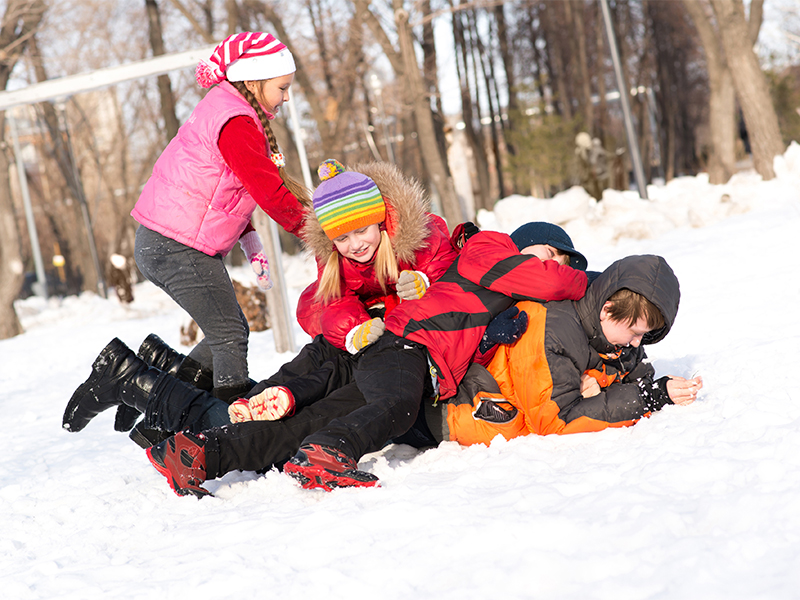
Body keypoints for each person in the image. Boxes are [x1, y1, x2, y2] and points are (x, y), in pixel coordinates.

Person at [139, 221, 589, 497]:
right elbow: (547, 282)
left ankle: (197, 453)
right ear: (527, 244)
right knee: (394, 408)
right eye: (553, 255)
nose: (559, 266)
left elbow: (465, 330)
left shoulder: (499, 288)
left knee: (301, 430)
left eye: (565, 262)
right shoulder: (492, 248)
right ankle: (333, 451)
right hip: (405, 347)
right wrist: (593, 282)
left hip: (403, 353)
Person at [62, 159, 458, 448]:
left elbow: (441, 267)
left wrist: (412, 289)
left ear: (381, 222)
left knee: (275, 412)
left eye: (360, 232)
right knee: (274, 420)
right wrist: (357, 327)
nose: (355, 245)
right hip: (356, 352)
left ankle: (162, 375)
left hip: (369, 353)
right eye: (343, 238)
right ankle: (138, 384)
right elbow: (322, 305)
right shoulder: (347, 260)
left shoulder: (419, 244)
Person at [128, 31, 310, 410]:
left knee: (226, 330)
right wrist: (315, 232)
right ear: (255, 81)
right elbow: (266, 189)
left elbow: (225, 192)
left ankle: (161, 407)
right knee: (228, 333)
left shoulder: (229, 108)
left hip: (167, 240)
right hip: (176, 244)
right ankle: (227, 424)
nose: (287, 97)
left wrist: (252, 235)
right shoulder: (236, 121)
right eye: (283, 87)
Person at [432, 254, 703, 446]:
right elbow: (554, 421)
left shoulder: (616, 331)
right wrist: (648, 398)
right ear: (607, 309)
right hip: (451, 416)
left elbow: (637, 378)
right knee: (508, 426)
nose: (636, 344)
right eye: (635, 333)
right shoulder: (553, 329)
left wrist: (601, 383)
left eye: (644, 336)